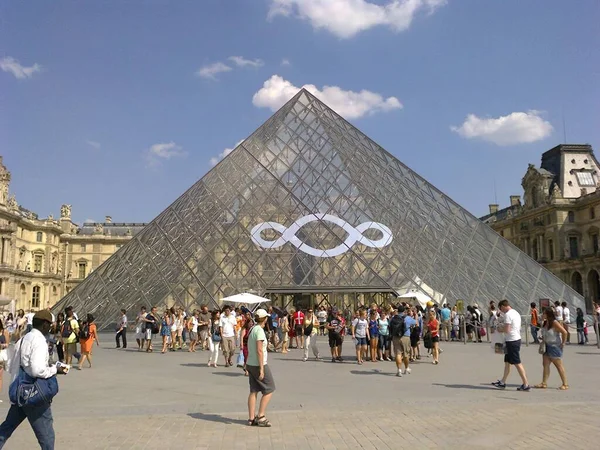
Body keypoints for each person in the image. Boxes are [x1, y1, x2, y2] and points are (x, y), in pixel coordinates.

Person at [0, 310, 68, 449]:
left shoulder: (23, 339)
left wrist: (16, 388)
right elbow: (37, 370)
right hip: (34, 396)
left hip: (20, 393)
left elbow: (12, 367)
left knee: (5, 429)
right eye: (50, 325)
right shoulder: (39, 341)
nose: (50, 328)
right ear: (44, 324)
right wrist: (55, 369)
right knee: (47, 437)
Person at [492, 299, 530, 391]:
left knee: (517, 362)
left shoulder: (508, 315)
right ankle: (502, 382)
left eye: (501, 309)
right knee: (507, 362)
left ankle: (526, 384)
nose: (501, 311)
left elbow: (507, 330)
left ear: (503, 306)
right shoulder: (515, 312)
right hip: (515, 339)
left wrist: (498, 329)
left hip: (512, 341)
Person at [246, 309, 275, 428]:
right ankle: (261, 415)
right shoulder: (260, 331)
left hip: (250, 363)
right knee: (269, 388)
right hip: (258, 364)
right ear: (265, 319)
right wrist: (262, 369)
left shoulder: (252, 329)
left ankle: (251, 418)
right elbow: (259, 350)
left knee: (254, 390)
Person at [535, 307, 569, 390]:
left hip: (554, 346)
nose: (542, 315)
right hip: (546, 345)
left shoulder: (554, 323)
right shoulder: (545, 322)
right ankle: (544, 382)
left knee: (558, 365)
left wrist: (563, 343)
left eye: (544, 313)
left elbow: (564, 332)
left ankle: (565, 384)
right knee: (545, 364)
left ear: (548, 314)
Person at [0, 320, 9, 401]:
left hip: (1, 357)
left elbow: (7, 344)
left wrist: (2, 345)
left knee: (0, 377)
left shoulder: (4, 332)